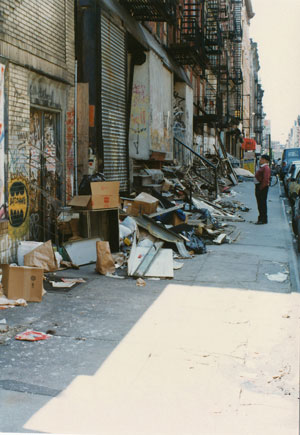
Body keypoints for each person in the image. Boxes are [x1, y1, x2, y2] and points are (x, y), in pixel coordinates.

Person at [254, 154, 271, 224]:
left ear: (265, 160)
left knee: (262, 204)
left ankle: (262, 219)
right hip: (260, 187)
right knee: (260, 203)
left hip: (262, 188)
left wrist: (260, 188)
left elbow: (266, 179)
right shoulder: (263, 167)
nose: (260, 160)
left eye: (261, 159)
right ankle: (261, 218)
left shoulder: (266, 168)